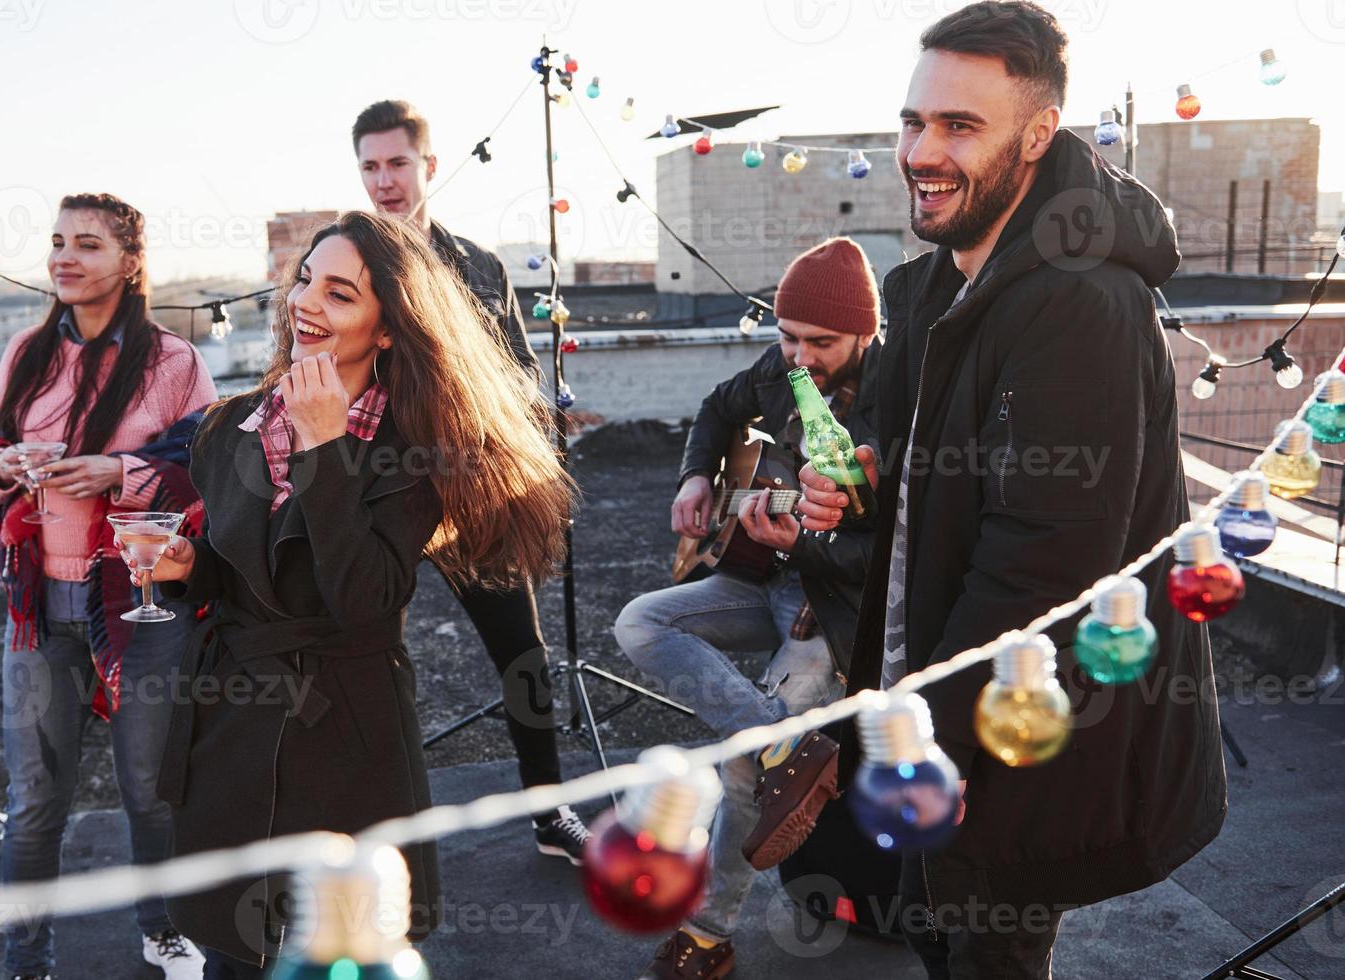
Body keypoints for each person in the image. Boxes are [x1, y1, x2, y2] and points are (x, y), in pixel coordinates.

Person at [796, 4, 1226, 978]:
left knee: (982, 951)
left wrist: (904, 736)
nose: (920, 151)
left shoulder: (1081, 302)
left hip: (1010, 733)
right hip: (933, 706)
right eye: (911, 122)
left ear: (1037, 135)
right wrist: (852, 487)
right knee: (933, 937)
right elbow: (911, 474)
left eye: (958, 125)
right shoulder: (930, 288)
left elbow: (1040, 564)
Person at [140, 210, 577, 978]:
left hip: (341, 737)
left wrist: (325, 445)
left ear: (386, 329)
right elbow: (240, 575)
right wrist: (187, 567)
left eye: (340, 293)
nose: (306, 301)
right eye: (306, 279)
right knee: (233, 955)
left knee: (339, 953)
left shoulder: (413, 451)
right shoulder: (231, 426)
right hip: (231, 726)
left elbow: (363, 599)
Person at [0, 192, 217, 980]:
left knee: (150, 788)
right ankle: (24, 960)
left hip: (142, 610)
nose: (65, 257)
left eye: (89, 245)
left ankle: (162, 931)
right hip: (37, 611)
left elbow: (207, 470)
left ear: (130, 262)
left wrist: (121, 472)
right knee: (34, 800)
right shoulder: (25, 354)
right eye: (59, 241)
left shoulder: (176, 361)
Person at [614, 239, 882, 978]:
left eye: (821, 343)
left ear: (865, 331)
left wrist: (810, 545)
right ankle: (781, 744)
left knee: (739, 773)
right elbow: (714, 407)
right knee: (639, 620)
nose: (800, 357)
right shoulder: (780, 368)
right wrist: (695, 475)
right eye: (787, 337)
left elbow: (895, 550)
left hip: (831, 608)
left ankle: (706, 936)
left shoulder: (895, 399)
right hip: (761, 575)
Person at [351, 98, 590, 860]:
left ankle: (550, 815)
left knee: (524, 654)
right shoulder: (342, 261)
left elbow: (520, 376)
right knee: (359, 665)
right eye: (369, 166)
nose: (383, 182)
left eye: (396, 163)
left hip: (466, 492)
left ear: (428, 164)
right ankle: (360, 837)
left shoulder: (479, 266)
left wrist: (525, 448)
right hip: (375, 496)